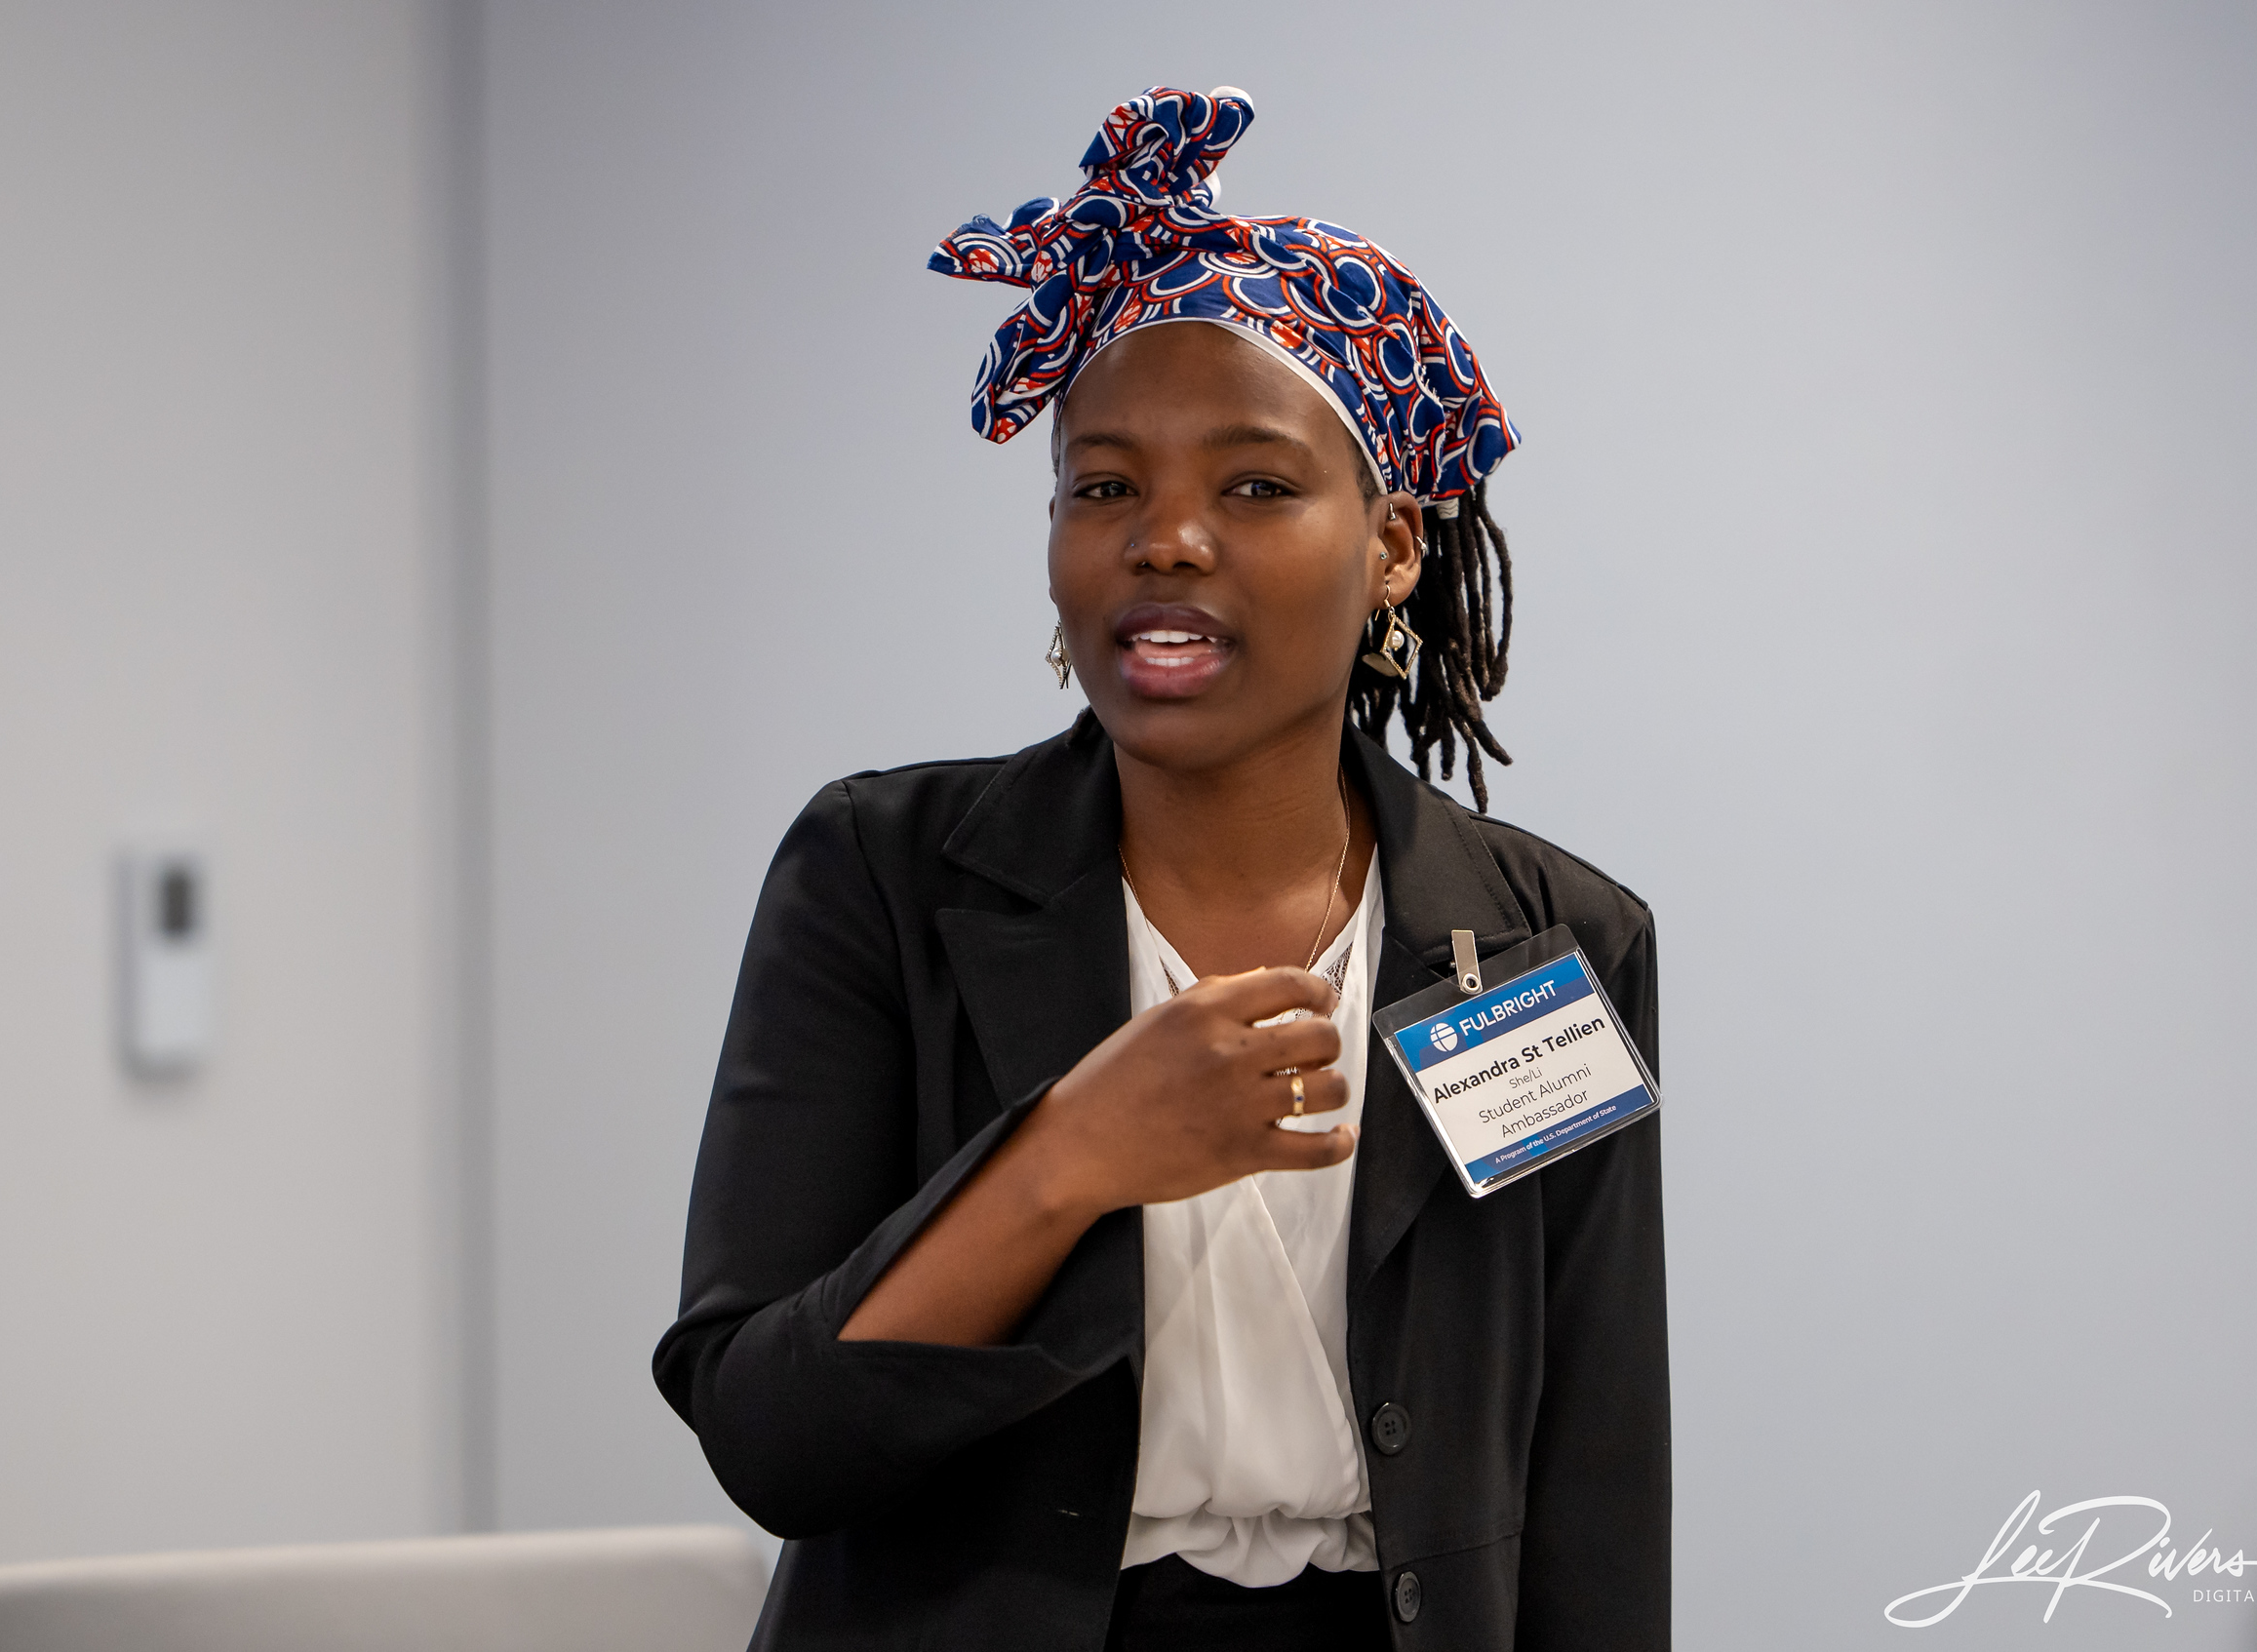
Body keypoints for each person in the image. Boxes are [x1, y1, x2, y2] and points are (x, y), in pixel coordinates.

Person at [654, 87, 1668, 1652]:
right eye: (1105, 485)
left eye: (1254, 486)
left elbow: (1591, 1480)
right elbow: (770, 1436)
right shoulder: (879, 874)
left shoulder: (1548, 940)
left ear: (1392, 545)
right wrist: (1067, 1153)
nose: (1166, 539)